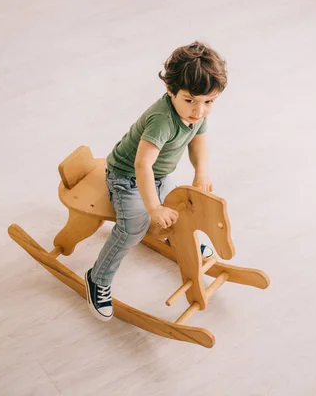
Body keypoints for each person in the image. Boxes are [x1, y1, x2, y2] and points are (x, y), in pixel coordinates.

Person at [84, 41, 228, 321]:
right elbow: (142, 165)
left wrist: (201, 173)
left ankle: (180, 241)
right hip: (126, 176)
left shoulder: (197, 114)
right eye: (190, 100)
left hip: (159, 174)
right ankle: (97, 278)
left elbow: (198, 144)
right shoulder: (162, 119)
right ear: (170, 91)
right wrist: (153, 209)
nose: (198, 111)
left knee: (184, 207)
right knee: (134, 227)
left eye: (209, 102)